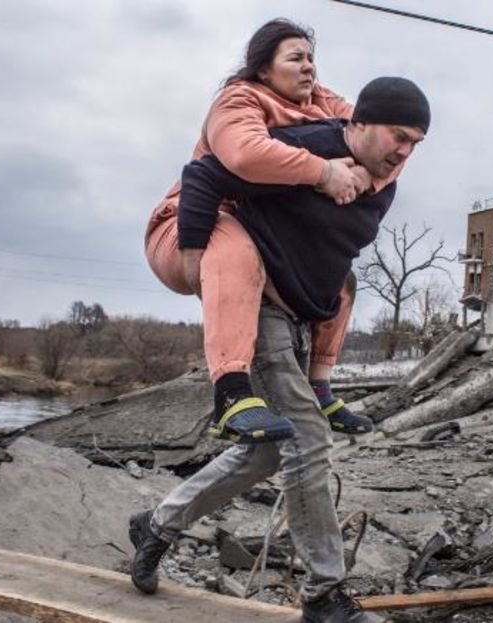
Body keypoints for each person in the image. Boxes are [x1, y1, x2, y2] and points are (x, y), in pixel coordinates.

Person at [131, 77, 430, 623]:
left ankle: (157, 523)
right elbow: (204, 174)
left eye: (415, 143)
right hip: (258, 308)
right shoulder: (310, 147)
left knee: (269, 449)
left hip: (297, 321)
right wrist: (199, 258)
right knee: (309, 441)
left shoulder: (383, 183)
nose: (405, 151)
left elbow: (330, 256)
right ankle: (323, 595)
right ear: (358, 124)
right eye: (398, 135)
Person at [145, 19, 386, 444]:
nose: (309, 67)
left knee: (342, 281)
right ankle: (232, 393)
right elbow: (244, 155)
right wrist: (323, 171)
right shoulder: (238, 99)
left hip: (260, 243)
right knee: (231, 241)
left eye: (312, 58)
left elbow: (380, 138)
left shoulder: (324, 103)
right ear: (263, 69)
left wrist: (368, 174)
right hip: (190, 228)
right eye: (295, 58)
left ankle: (321, 388)